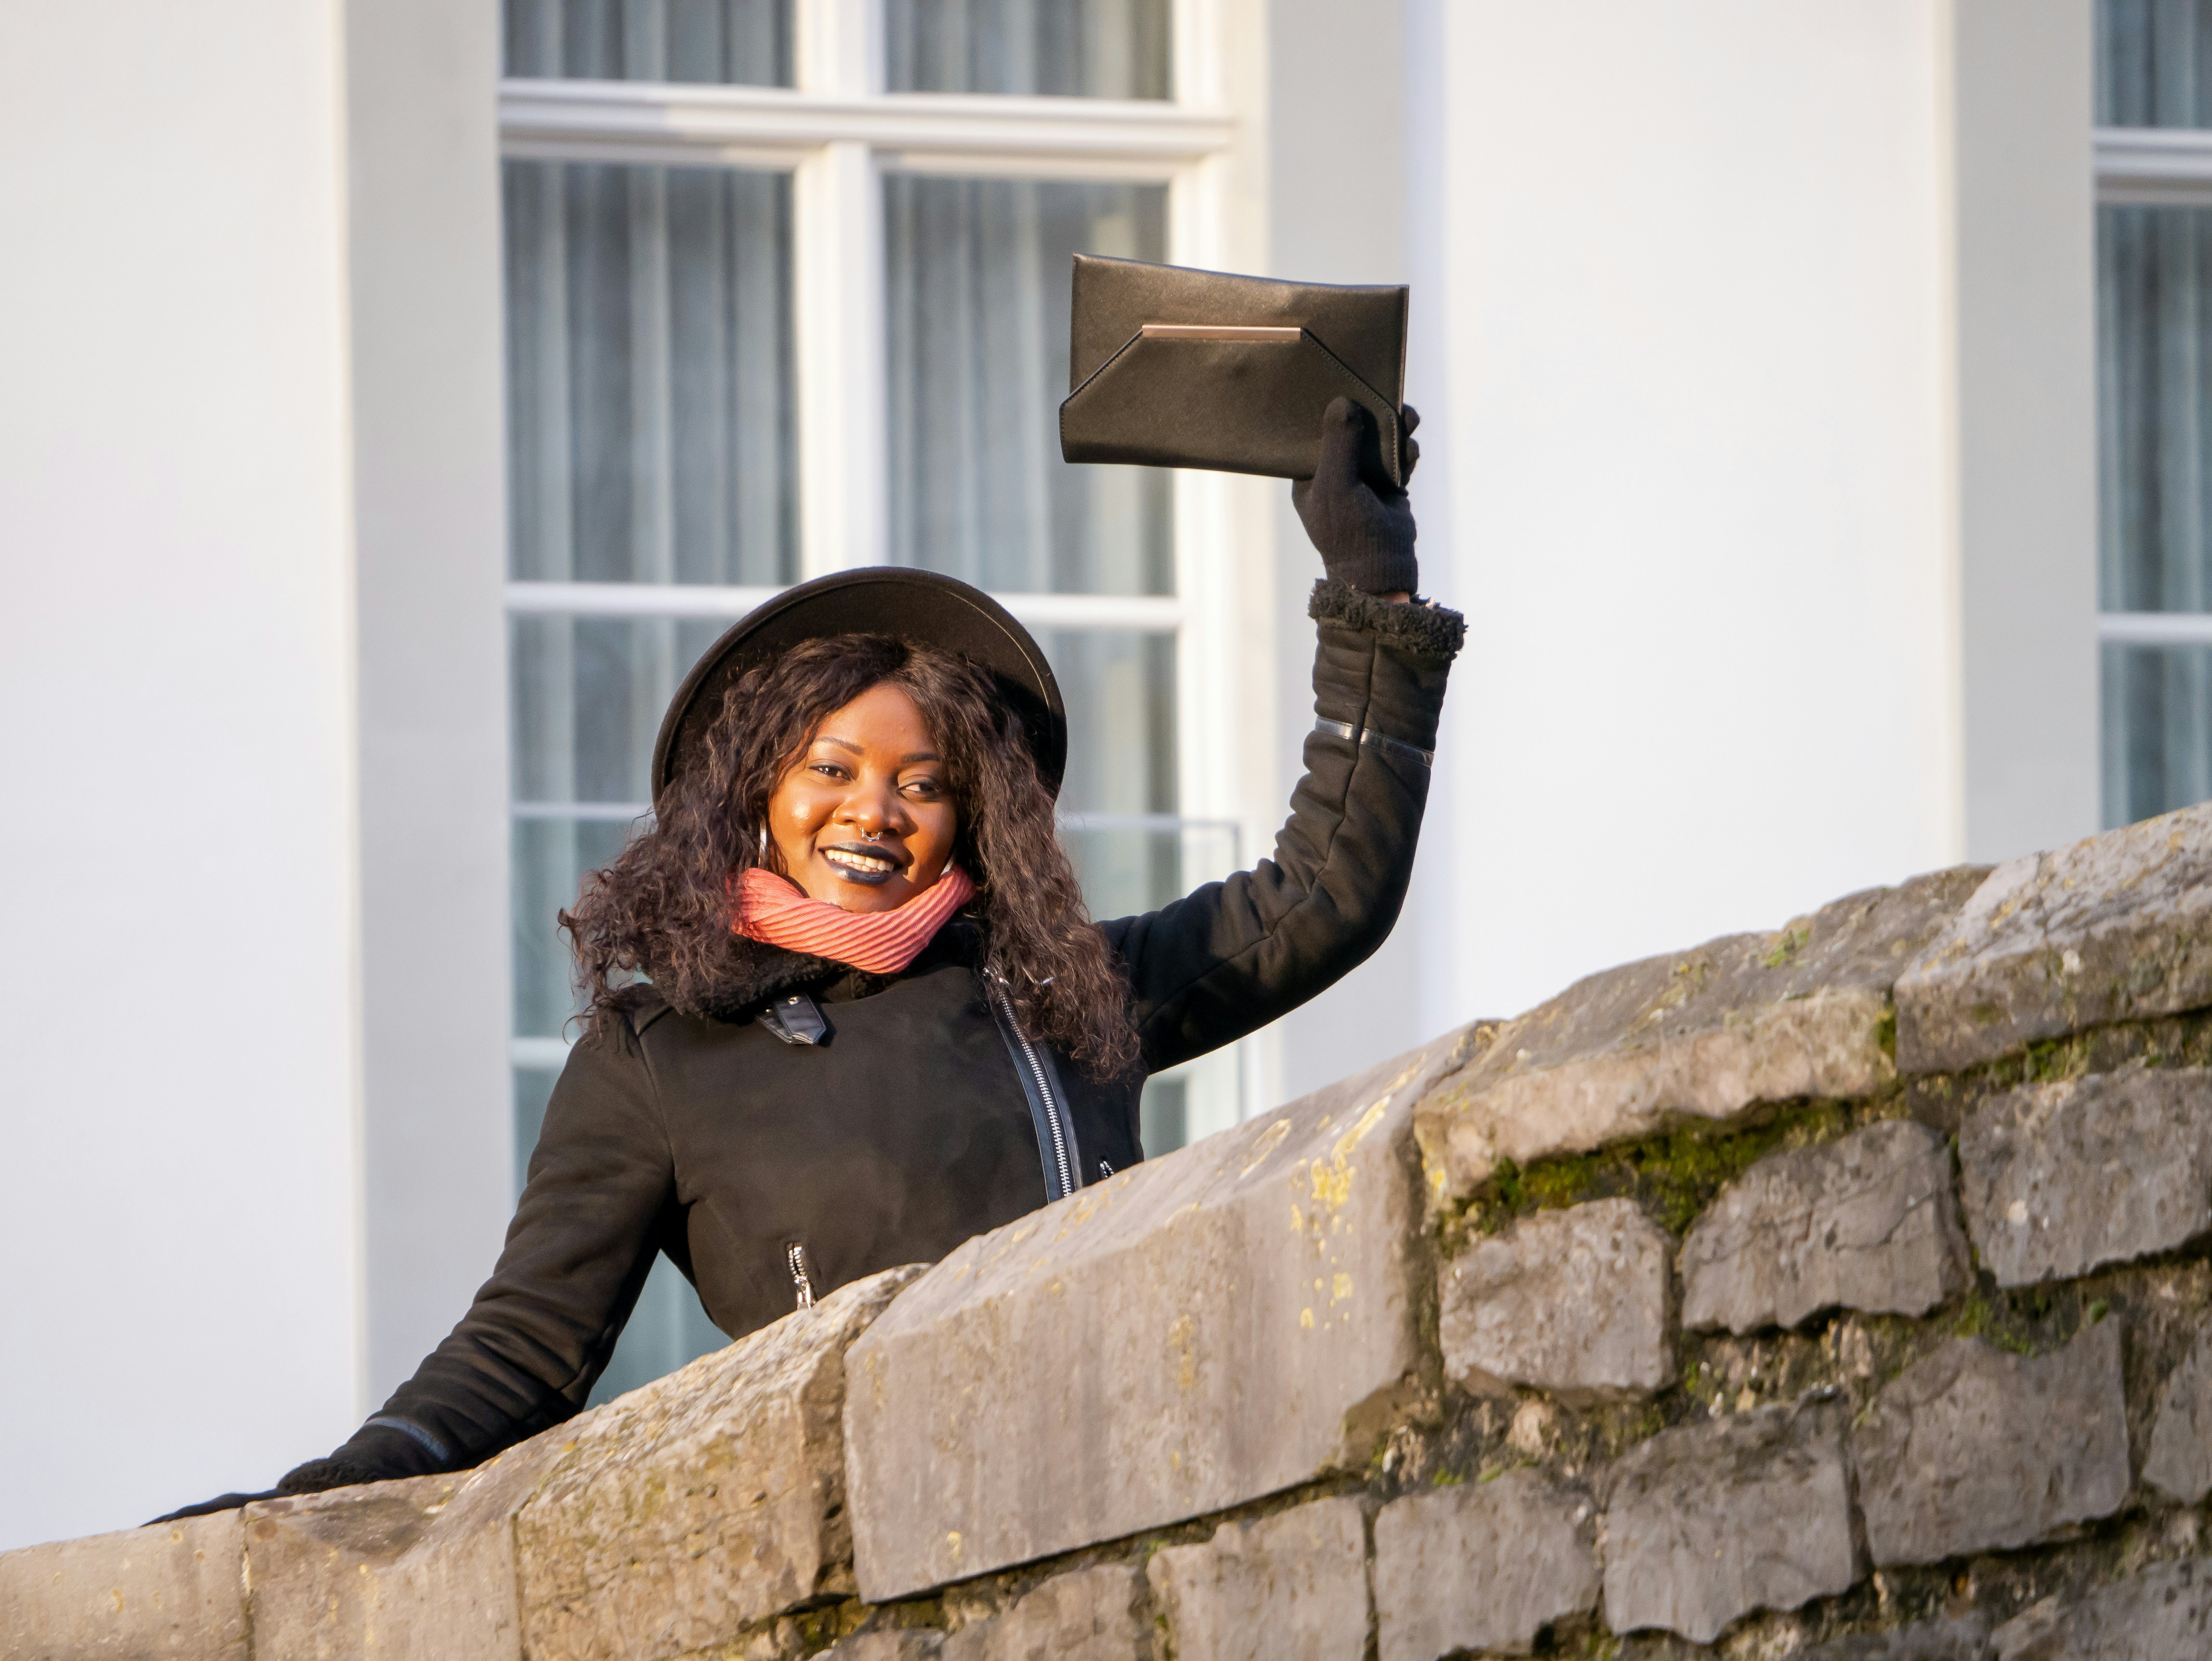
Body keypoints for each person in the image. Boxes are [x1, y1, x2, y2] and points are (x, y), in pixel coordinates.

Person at [154, 397, 1462, 1519]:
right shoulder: (656, 1053)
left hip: (1139, 1487)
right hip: (873, 1550)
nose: (872, 810)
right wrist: (324, 1496)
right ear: (760, 796)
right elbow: (524, 1347)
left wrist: (1373, 600)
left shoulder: (1059, 991)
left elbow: (1327, 893)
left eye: (922, 782)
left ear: (973, 816)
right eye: (829, 770)